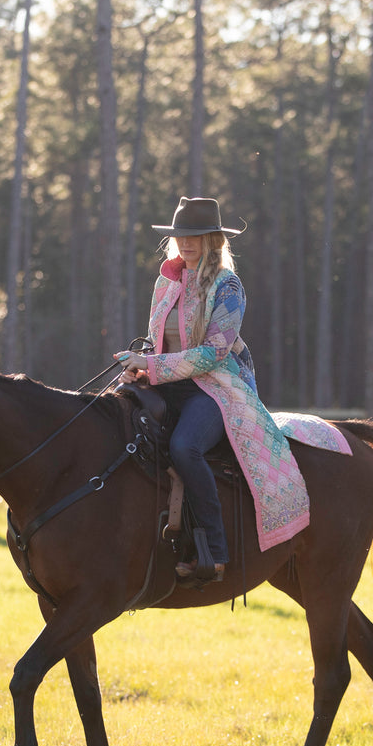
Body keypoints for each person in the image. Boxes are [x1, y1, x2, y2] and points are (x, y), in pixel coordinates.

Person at [117, 196, 312, 581]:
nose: (186, 243)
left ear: (214, 240)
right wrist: (139, 369)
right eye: (180, 236)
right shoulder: (166, 282)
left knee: (184, 448)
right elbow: (160, 343)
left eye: (197, 236)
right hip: (166, 381)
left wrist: (152, 366)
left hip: (214, 389)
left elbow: (213, 353)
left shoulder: (229, 286)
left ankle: (215, 550)